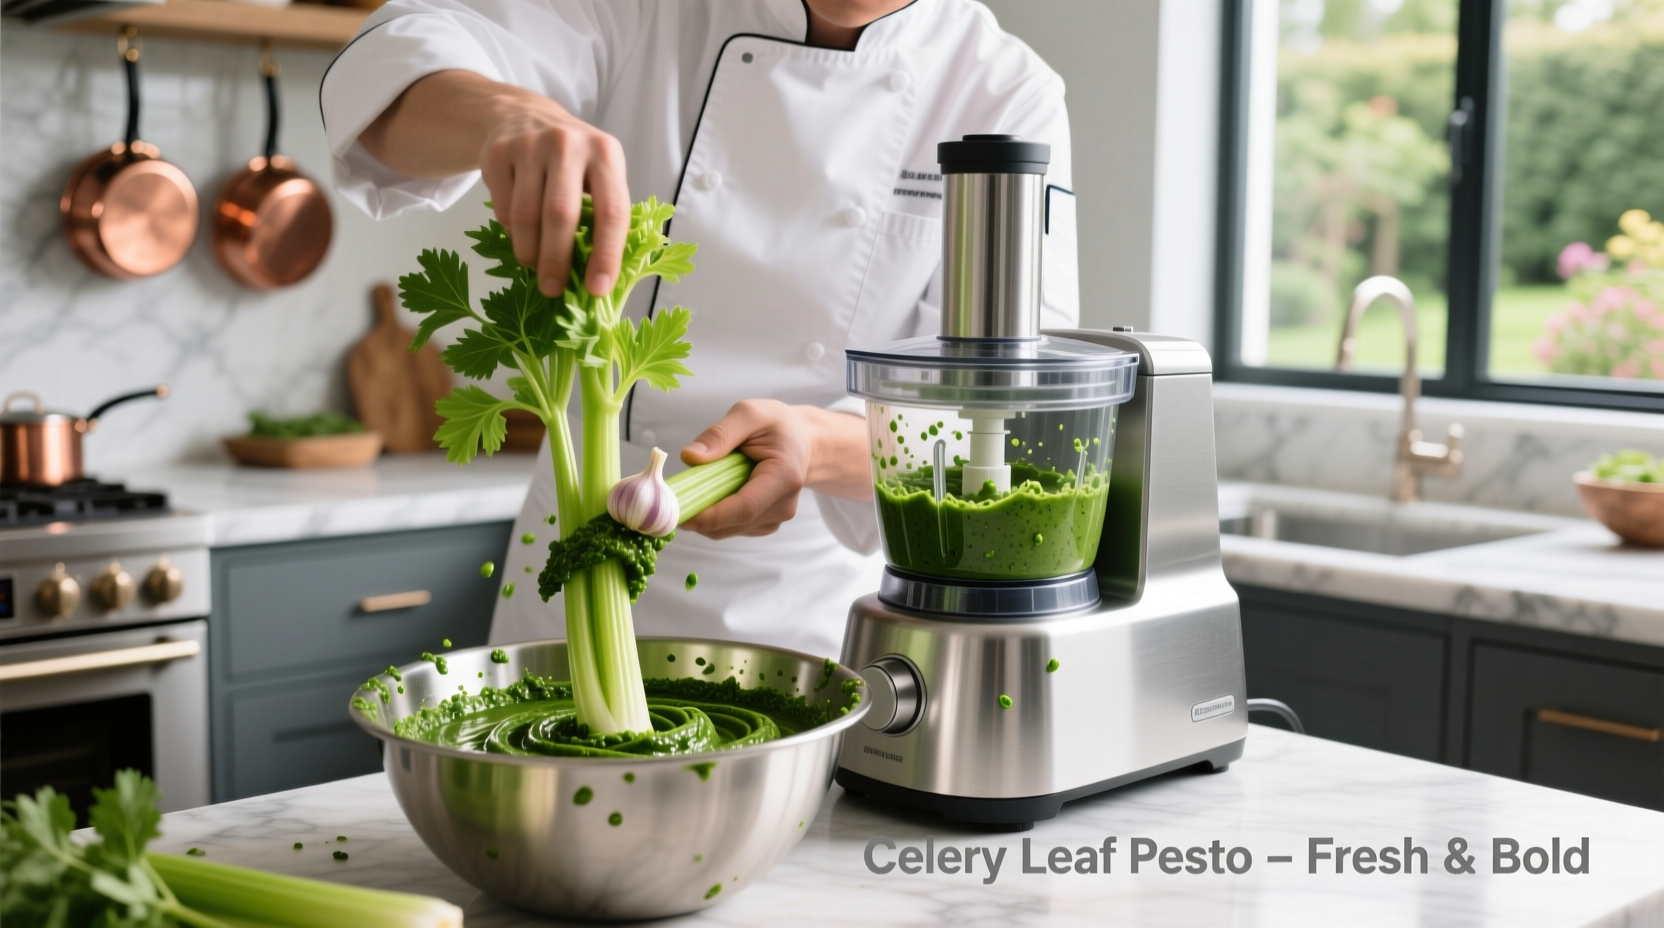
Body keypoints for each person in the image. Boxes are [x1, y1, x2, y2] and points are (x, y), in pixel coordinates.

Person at [321, 0, 1080, 657]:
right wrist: (502, 115)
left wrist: (818, 448)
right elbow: (392, 67)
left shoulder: (1004, 94)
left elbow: (1000, 421)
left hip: (809, 608)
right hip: (575, 577)